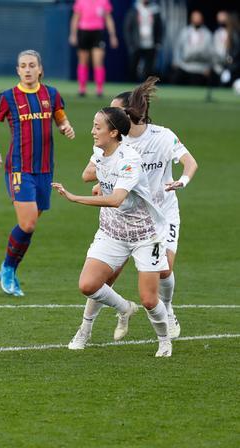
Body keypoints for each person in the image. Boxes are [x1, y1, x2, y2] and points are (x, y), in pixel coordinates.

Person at [70, 77, 198, 347]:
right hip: (122, 218)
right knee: (105, 278)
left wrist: (182, 181)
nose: (110, 115)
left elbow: (190, 162)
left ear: (130, 113)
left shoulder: (162, 137)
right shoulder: (114, 140)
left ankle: (168, 309)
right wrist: (106, 180)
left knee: (164, 271)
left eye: (115, 110)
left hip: (160, 213)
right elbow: (89, 173)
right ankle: (85, 329)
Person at [51, 106, 172, 358]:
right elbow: (97, 176)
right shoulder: (99, 151)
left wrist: (75, 198)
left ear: (114, 132)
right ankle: (124, 308)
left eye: (98, 127)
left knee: (150, 300)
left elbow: (117, 199)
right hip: (112, 231)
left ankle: (164, 340)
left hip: (144, 235)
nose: (92, 131)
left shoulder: (130, 159)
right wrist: (99, 184)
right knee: (87, 285)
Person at [0, 50, 75, 297]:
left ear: (40, 69)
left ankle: (8, 267)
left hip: (45, 169)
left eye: (32, 65)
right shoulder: (7, 97)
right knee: (28, 222)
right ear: (17, 70)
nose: (27, 69)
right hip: (19, 168)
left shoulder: (52, 94)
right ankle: (9, 269)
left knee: (31, 225)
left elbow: (60, 118)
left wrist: (65, 126)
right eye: (23, 66)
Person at [69, 0, 118, 97]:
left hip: (97, 33)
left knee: (98, 61)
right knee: (83, 61)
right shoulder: (80, 1)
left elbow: (108, 18)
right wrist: (73, 34)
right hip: (84, 32)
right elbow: (75, 18)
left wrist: (113, 35)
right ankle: (82, 89)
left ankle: (99, 89)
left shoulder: (104, 1)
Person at [123, 0, 162, 82]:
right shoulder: (134, 10)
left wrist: (158, 42)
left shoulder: (155, 10)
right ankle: (132, 90)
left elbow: (160, 27)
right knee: (133, 67)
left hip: (151, 44)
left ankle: (146, 90)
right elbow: (127, 28)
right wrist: (130, 43)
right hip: (137, 44)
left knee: (149, 69)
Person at [172, 10, 213, 86]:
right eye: (195, 18)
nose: (197, 20)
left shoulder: (207, 34)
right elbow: (178, 47)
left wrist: (208, 67)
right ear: (191, 19)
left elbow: (211, 52)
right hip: (185, 66)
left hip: (200, 68)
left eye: (198, 18)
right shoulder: (185, 32)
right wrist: (176, 61)